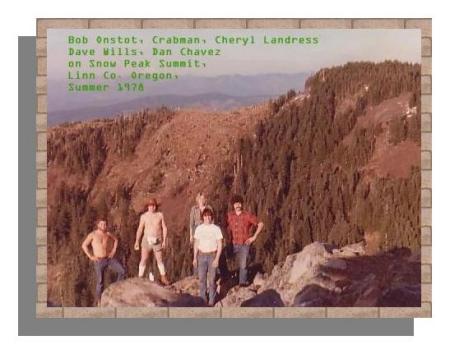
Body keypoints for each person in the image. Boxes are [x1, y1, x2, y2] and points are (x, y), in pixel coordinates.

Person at [81, 219, 125, 306]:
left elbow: (116, 240)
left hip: (108, 258)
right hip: (98, 260)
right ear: (98, 225)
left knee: (121, 271)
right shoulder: (93, 234)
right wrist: (91, 256)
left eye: (105, 224)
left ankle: (115, 290)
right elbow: (84, 245)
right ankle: (99, 301)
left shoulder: (108, 234)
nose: (104, 226)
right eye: (102, 224)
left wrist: (113, 251)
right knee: (100, 282)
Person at [226, 194, 264, 286]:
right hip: (233, 244)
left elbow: (260, 224)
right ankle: (227, 279)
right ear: (233, 205)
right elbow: (225, 226)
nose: (237, 205)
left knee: (243, 265)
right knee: (226, 260)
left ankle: (242, 284)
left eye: (239, 203)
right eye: (235, 204)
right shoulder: (230, 216)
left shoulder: (247, 215)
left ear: (242, 204)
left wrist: (254, 237)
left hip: (244, 244)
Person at [134, 198, 170, 285]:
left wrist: (164, 240)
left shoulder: (160, 215)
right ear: (148, 207)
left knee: (159, 259)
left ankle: (163, 276)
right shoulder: (144, 216)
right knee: (144, 259)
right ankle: (140, 277)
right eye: (150, 205)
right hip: (146, 239)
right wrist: (137, 241)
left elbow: (164, 228)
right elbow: (140, 229)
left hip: (157, 239)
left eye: (153, 205)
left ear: (155, 206)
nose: (151, 207)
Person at [193, 208, 223, 306]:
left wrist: (217, 258)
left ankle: (211, 301)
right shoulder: (199, 228)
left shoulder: (216, 228)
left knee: (212, 279)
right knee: (202, 279)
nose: (207, 218)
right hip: (201, 256)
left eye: (209, 215)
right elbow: (196, 243)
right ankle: (203, 300)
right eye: (205, 216)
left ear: (212, 217)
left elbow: (220, 244)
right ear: (203, 217)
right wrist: (194, 258)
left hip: (212, 255)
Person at [189, 192, 213, 275]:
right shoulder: (194, 209)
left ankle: (207, 271)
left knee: (206, 250)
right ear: (197, 200)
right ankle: (196, 273)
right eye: (200, 199)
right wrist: (191, 235)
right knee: (197, 251)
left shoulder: (209, 207)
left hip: (207, 230)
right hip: (197, 230)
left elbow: (212, 220)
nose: (201, 200)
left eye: (203, 198)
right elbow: (191, 223)